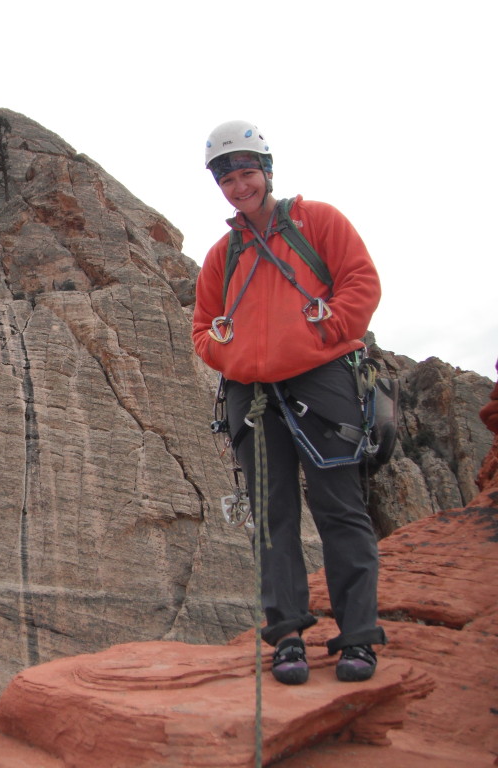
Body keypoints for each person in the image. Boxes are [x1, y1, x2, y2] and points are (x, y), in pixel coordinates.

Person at [192, 120, 387, 685]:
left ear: (267, 172)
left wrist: (325, 336)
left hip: (323, 383)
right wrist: (232, 360)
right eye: (226, 179)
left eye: (246, 173)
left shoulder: (317, 221)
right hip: (253, 395)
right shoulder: (221, 255)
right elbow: (203, 328)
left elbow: (360, 282)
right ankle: (289, 639)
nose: (237, 186)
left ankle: (358, 638)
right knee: (271, 520)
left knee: (340, 510)